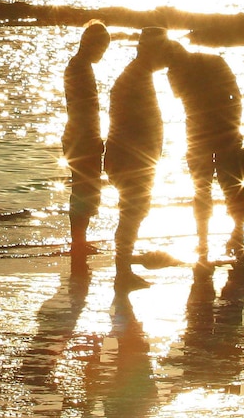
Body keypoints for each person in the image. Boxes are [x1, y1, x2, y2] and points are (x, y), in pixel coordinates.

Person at [104, 27, 173, 291]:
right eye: (163, 51)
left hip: (134, 159)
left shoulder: (138, 76)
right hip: (131, 161)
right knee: (131, 213)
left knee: (134, 212)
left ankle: (124, 268)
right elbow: (130, 125)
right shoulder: (134, 78)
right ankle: (122, 272)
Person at [167, 40, 244, 264]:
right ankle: (225, 238)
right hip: (213, 132)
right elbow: (236, 96)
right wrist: (234, 123)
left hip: (206, 134)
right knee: (225, 187)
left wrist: (233, 125)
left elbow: (234, 96)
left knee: (207, 188)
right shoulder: (212, 61)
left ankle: (211, 240)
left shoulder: (176, 70)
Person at [62, 20, 111, 256]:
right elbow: (83, 109)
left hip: (82, 135)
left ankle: (80, 241)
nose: (102, 54)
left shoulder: (80, 66)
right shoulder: (79, 67)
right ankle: (78, 242)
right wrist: (92, 138)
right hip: (81, 137)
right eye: (101, 49)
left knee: (86, 190)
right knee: (84, 190)